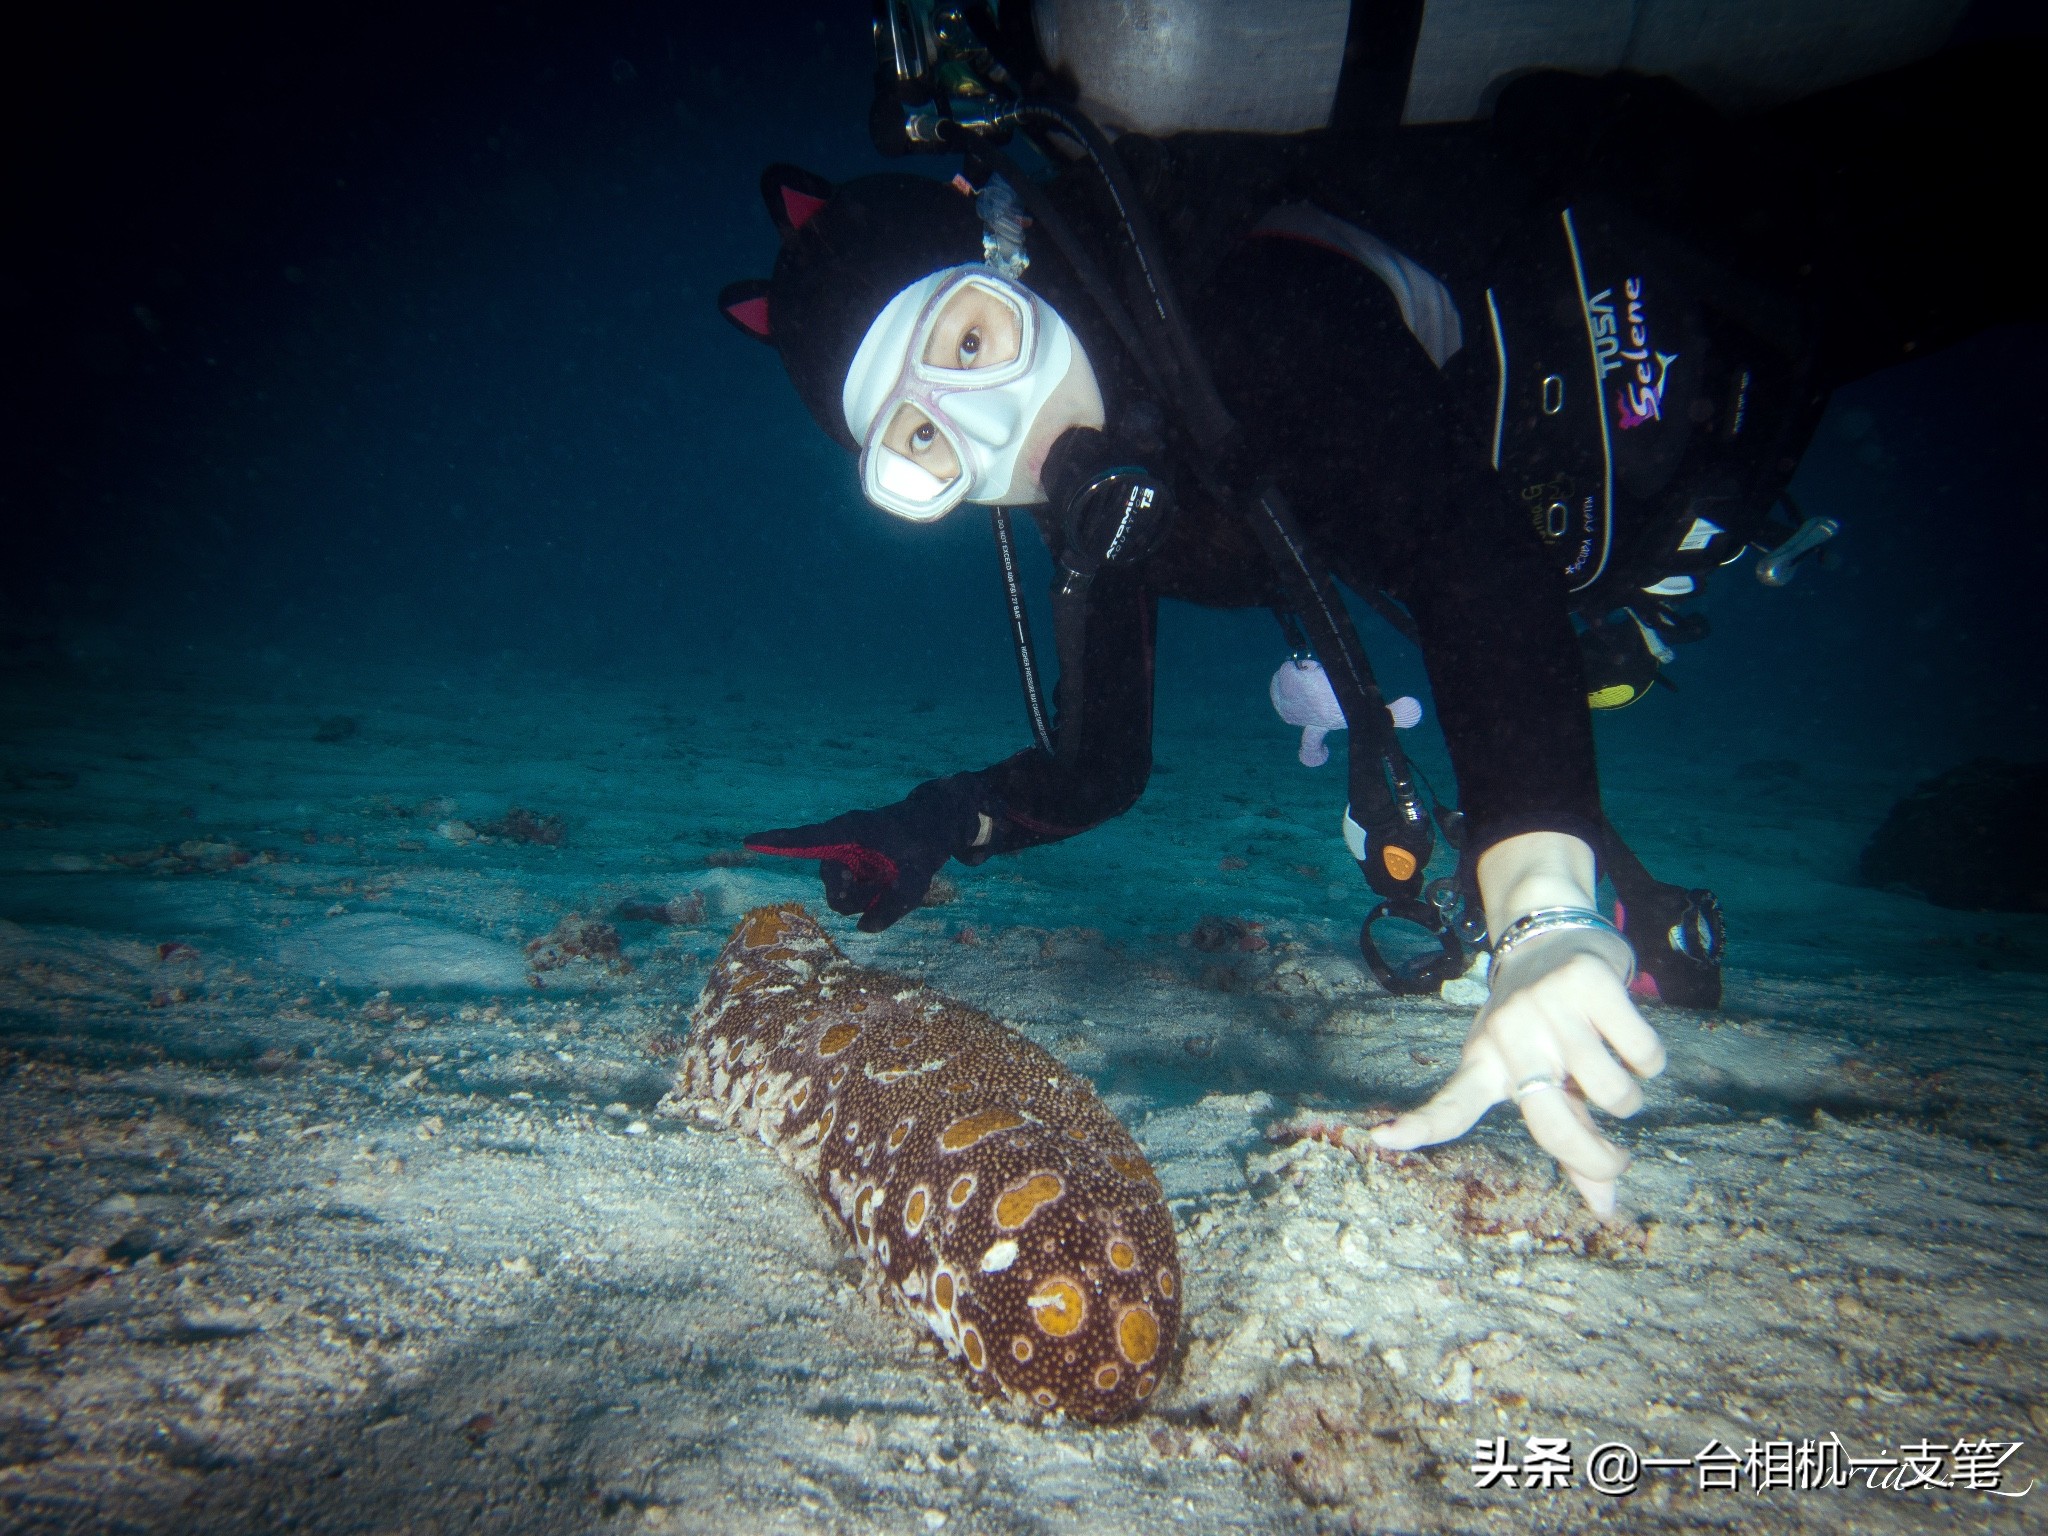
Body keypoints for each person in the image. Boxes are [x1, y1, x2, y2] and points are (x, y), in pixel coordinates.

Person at [713, 42, 2038, 1216]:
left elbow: (1470, 561)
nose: (995, 427)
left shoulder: (1252, 310)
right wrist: (938, 823)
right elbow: (1102, 765)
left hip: (1740, 243)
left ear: (1009, 249)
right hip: (1688, 433)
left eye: (971, 342)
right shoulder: (1110, 513)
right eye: (923, 445)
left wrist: (1541, 916)